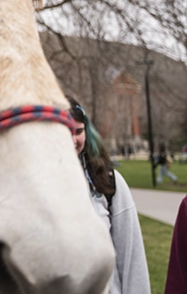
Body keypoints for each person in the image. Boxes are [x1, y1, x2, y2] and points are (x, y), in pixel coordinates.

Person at [68, 96, 151, 294]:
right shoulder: (37, 186)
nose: (73, 140)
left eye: (78, 131)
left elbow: (132, 258)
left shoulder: (107, 181)